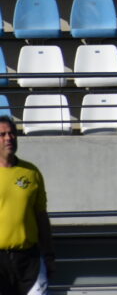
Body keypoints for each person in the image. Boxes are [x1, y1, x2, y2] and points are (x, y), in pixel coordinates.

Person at [0, 116, 55, 295]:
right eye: (2, 134)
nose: (9, 138)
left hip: (29, 259)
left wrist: (48, 255)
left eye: (12, 133)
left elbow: (41, 216)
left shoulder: (31, 173)